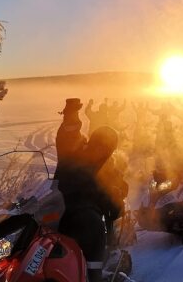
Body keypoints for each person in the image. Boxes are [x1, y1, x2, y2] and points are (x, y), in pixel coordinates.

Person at [54, 98, 124, 282]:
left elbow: (112, 201)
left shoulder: (107, 167)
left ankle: (94, 274)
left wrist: (117, 197)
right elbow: (68, 136)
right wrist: (71, 116)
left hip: (71, 212)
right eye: (101, 143)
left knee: (94, 225)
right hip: (63, 209)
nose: (101, 149)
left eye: (106, 146)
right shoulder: (79, 150)